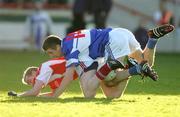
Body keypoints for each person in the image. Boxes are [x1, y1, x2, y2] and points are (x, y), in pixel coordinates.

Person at [42, 24, 174, 99]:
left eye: (50, 53)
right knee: (114, 94)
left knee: (111, 79)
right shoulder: (70, 40)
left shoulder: (68, 48)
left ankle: (130, 67)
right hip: (121, 33)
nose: (51, 57)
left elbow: (70, 75)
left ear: (58, 46)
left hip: (112, 41)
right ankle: (152, 39)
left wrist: (55, 95)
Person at [8, 57, 77, 97]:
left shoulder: (42, 70)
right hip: (80, 68)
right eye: (29, 84)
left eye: (29, 81)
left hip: (79, 63)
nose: (32, 84)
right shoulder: (49, 80)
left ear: (34, 72)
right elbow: (54, 95)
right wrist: (39, 96)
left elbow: (34, 92)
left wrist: (18, 95)